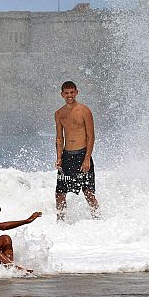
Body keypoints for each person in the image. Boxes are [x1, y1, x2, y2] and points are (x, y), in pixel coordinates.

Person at [54, 81, 100, 221]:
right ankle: (60, 221)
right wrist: (59, 157)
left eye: (72, 92)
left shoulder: (84, 111)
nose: (69, 95)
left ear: (77, 92)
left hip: (82, 155)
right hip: (67, 156)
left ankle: (97, 218)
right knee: (60, 193)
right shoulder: (59, 113)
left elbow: (90, 136)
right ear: (62, 94)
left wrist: (87, 159)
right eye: (66, 93)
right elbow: (59, 137)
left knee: (88, 192)